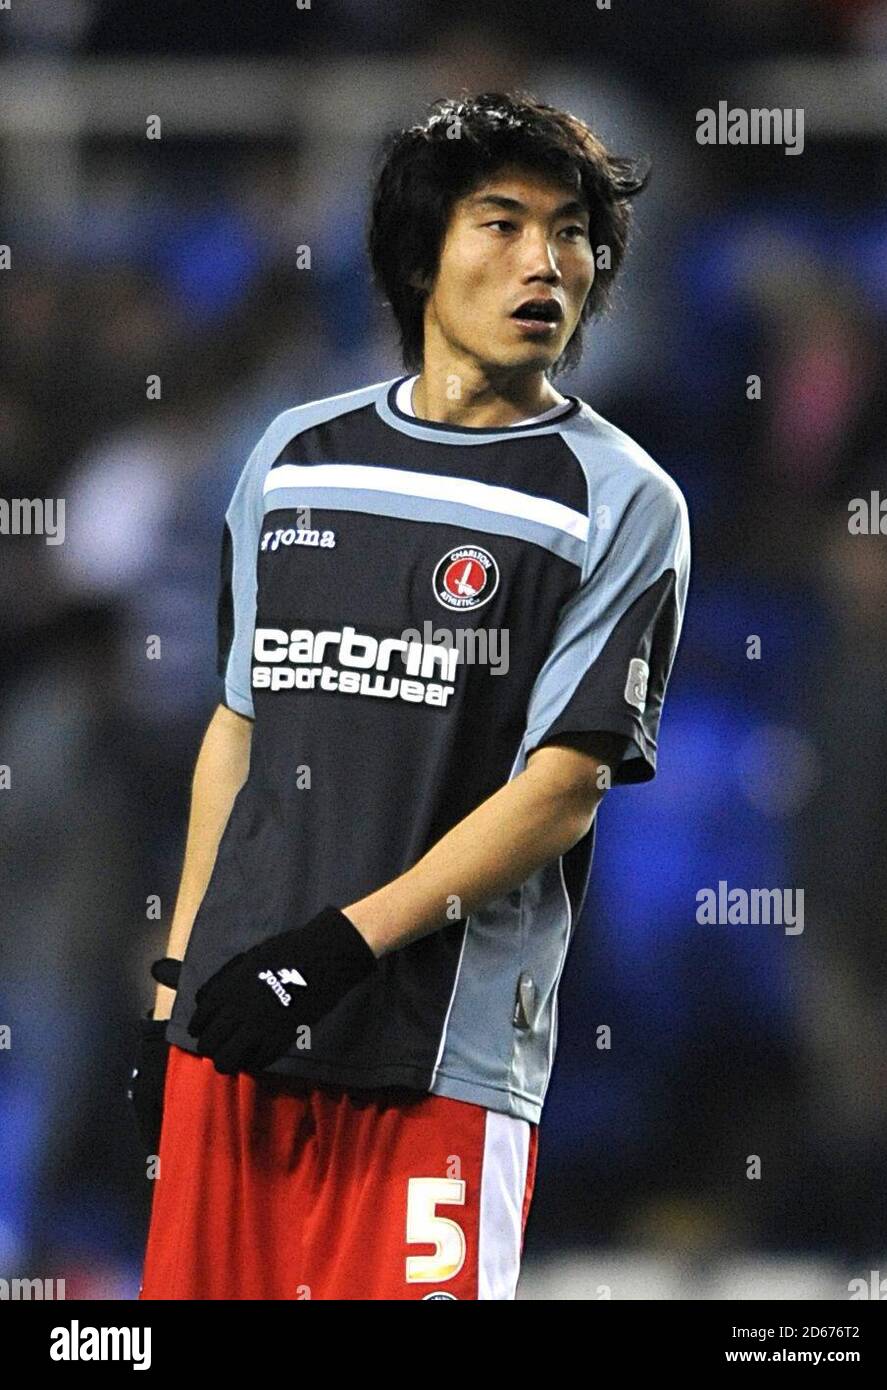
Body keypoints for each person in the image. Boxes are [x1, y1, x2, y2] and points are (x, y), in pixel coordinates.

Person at [130, 90, 691, 1301]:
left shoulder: (620, 500)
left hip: (439, 1058)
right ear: (418, 255)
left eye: (574, 231)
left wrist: (340, 947)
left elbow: (563, 789)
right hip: (235, 1035)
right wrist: (177, 981)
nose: (547, 261)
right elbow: (238, 729)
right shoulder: (292, 457)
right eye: (504, 223)